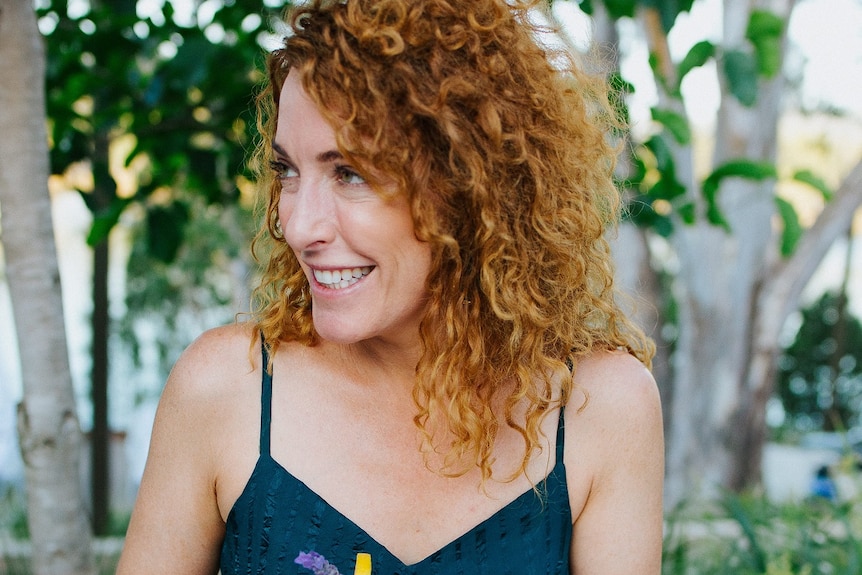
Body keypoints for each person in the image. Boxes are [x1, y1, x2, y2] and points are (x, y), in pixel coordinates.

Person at [116, 0, 664, 573]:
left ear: (468, 184)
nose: (299, 225)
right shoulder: (228, 390)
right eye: (287, 171)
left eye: (349, 173)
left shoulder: (598, 408)